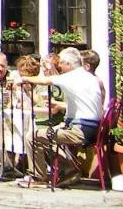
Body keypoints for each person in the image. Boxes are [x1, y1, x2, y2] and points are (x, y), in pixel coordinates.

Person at [17, 47, 104, 187]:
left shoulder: (71, 77)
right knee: (46, 134)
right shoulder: (89, 77)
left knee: (32, 137)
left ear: (69, 64)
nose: (59, 66)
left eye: (61, 63)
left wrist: (24, 78)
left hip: (80, 131)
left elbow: (45, 81)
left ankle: (39, 177)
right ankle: (69, 169)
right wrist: (65, 123)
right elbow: (78, 105)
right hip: (91, 129)